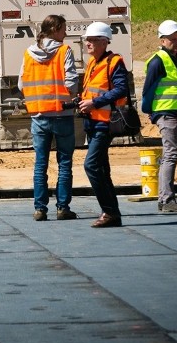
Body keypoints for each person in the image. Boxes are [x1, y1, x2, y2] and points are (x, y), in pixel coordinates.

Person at [18, 15, 79, 222]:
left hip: (38, 116)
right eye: (63, 29)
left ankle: (40, 209)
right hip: (62, 115)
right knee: (64, 163)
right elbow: (70, 81)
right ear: (54, 29)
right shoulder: (64, 51)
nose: (66, 33)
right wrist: (74, 96)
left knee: (40, 164)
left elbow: (21, 84)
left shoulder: (28, 53)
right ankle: (63, 208)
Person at [77, 22, 126, 228]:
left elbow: (121, 89)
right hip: (93, 122)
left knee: (91, 165)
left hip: (105, 124)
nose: (88, 43)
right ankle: (112, 212)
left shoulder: (114, 62)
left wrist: (94, 103)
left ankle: (109, 211)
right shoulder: (92, 63)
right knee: (103, 169)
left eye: (93, 40)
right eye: (87, 40)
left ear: (105, 41)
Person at [141, 19, 177, 213]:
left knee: (172, 155)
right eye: (172, 39)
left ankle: (166, 198)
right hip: (166, 113)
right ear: (162, 40)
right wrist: (150, 112)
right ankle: (166, 200)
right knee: (170, 154)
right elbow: (148, 91)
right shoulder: (157, 61)